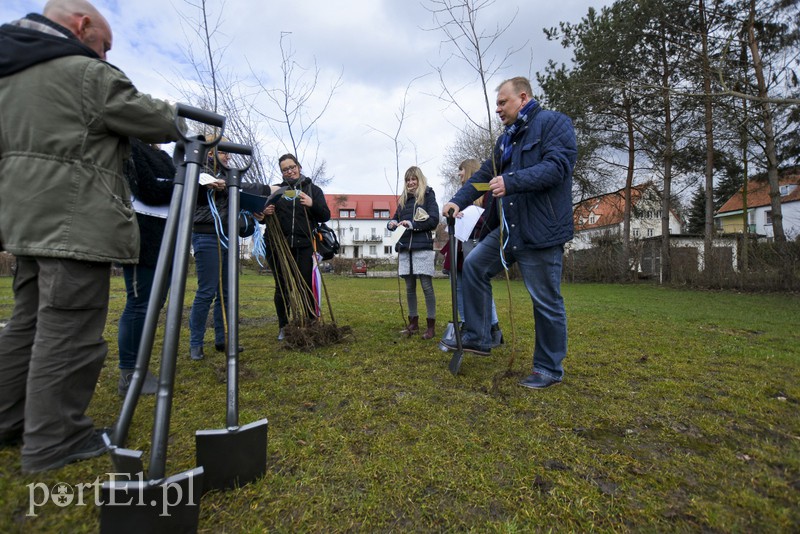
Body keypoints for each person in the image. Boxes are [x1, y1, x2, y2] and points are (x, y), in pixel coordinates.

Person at [0, 0, 180, 473]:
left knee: (28, 323)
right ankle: (53, 439)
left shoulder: (10, 73)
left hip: (25, 220)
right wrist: (179, 115)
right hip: (75, 219)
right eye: (104, 45)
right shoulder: (85, 74)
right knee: (69, 330)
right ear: (82, 27)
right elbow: (156, 120)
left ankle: (9, 419)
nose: (104, 56)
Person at [441, 76, 577, 389]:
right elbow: (483, 179)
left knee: (545, 300)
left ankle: (548, 369)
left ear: (523, 97)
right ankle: (479, 335)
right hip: (509, 231)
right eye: (497, 104)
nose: (498, 109)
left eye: (503, 102)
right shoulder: (506, 140)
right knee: (473, 266)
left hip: (540, 230)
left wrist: (513, 181)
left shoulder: (553, 124)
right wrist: (456, 200)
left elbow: (558, 167)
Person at [188, 141, 270, 360]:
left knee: (226, 293)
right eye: (223, 152)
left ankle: (222, 339)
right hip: (206, 236)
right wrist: (209, 184)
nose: (228, 158)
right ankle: (195, 343)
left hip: (228, 237)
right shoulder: (198, 171)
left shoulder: (231, 178)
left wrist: (252, 212)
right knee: (206, 291)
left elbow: (238, 202)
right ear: (211, 153)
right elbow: (192, 194)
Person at [117, 139, 176, 395]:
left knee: (155, 303)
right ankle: (129, 371)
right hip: (142, 235)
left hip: (166, 235)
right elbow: (148, 189)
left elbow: (175, 188)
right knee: (140, 303)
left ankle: (141, 366)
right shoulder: (132, 148)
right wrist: (180, 186)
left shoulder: (163, 157)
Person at [263, 154, 331, 341]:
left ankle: (310, 323)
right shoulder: (276, 191)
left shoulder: (312, 189)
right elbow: (262, 215)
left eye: (292, 167)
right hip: (279, 247)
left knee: (305, 286)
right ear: (282, 172)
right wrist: (264, 211)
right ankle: (284, 326)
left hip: (304, 246)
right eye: (285, 169)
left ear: (299, 167)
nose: (290, 171)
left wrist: (311, 203)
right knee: (282, 288)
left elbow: (325, 215)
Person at [440, 159, 502, 346]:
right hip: (459, 245)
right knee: (459, 287)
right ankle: (467, 324)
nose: (458, 174)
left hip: (476, 244)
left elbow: (490, 220)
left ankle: (493, 328)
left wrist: (469, 216)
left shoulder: (487, 193)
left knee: (480, 286)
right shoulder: (461, 196)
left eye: (461, 170)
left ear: (469, 171)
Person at [388, 166, 440, 340]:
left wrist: (412, 225)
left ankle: (430, 325)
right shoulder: (403, 200)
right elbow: (396, 216)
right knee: (410, 288)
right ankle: (413, 323)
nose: (410, 183)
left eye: (413, 179)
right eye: (407, 180)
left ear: (419, 179)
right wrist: (392, 223)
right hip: (405, 248)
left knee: (426, 286)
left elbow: (433, 220)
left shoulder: (428, 195)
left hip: (422, 246)